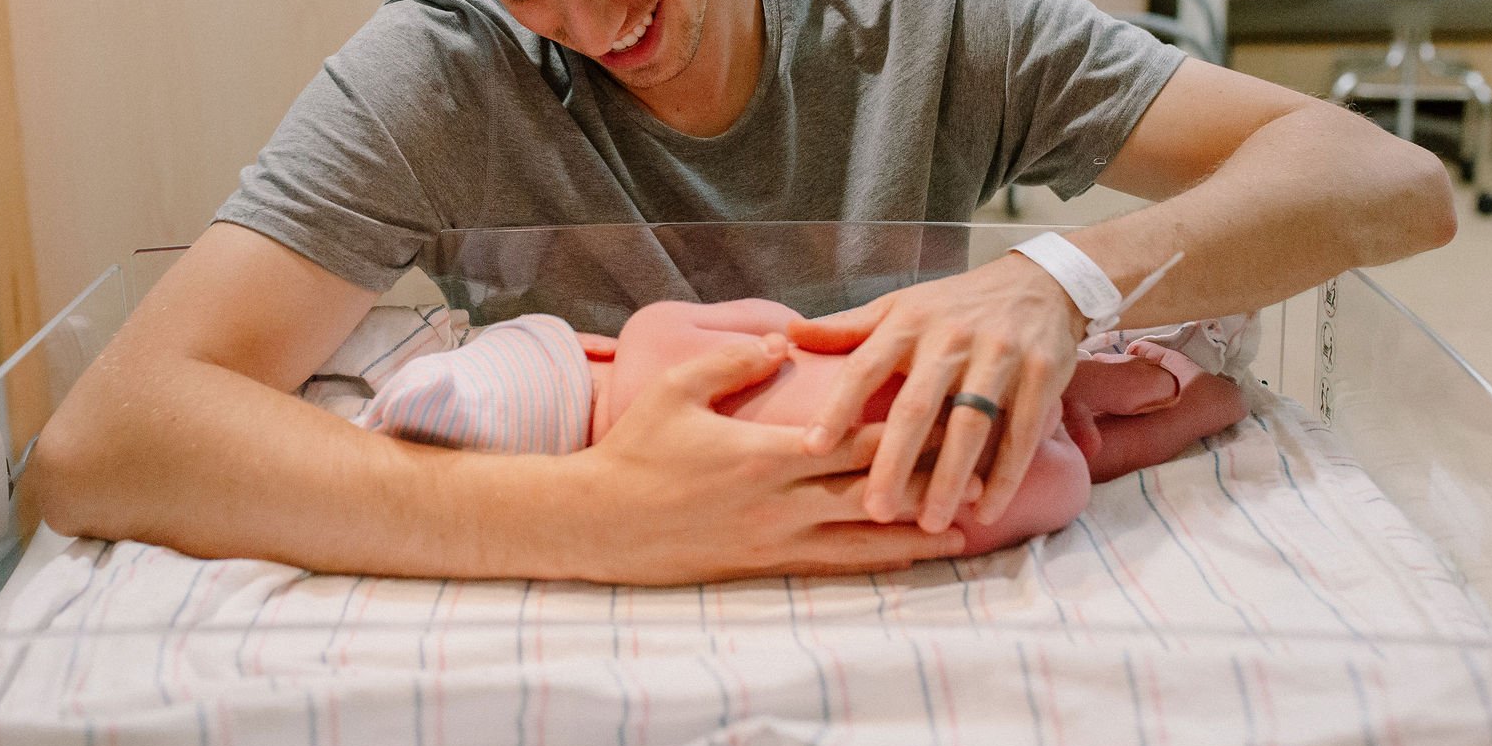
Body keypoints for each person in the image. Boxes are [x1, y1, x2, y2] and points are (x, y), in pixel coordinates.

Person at [33, 0, 1456, 584]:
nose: (591, 24)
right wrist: (595, 518)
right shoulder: (444, 76)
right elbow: (107, 443)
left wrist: (1059, 280)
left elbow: (1386, 181)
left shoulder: (924, 22)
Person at [346, 297, 1254, 557]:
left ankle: (1200, 411)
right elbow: (797, 326)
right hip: (946, 378)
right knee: (1073, 387)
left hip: (945, 480)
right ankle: (1183, 383)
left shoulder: (643, 475)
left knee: (1087, 460)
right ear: (582, 346)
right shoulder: (654, 332)